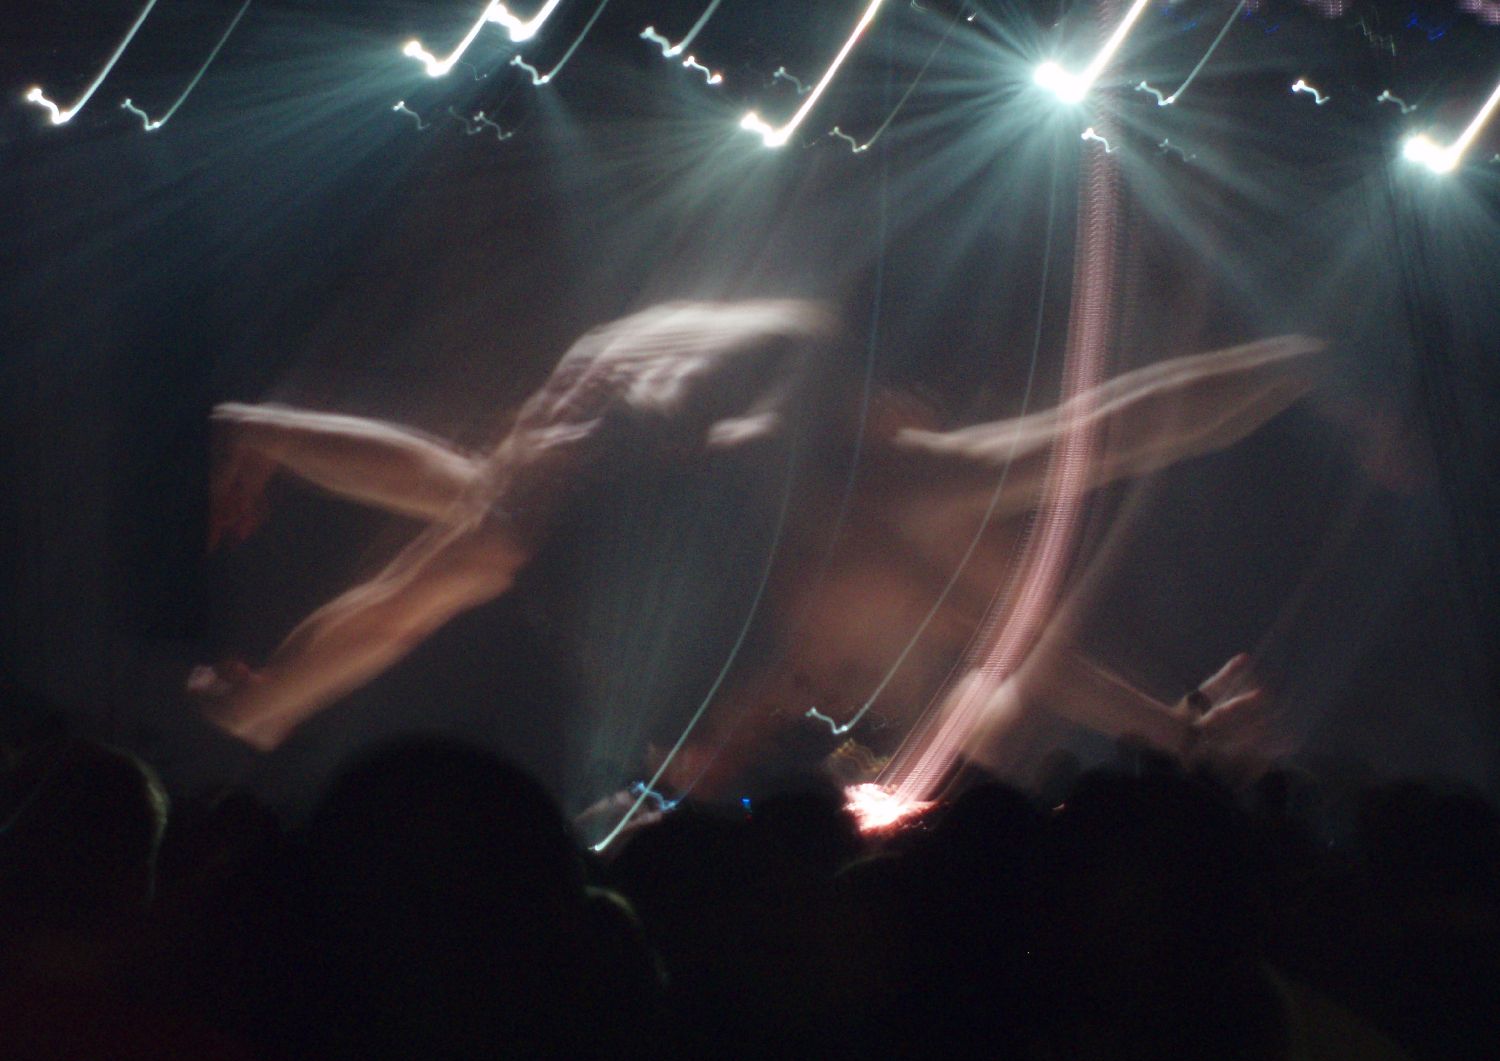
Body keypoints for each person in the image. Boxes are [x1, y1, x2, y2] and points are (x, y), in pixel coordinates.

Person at [190, 300, 1320, 790]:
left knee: (484, 523)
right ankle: (261, 445)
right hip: (692, 393)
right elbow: (404, 594)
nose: (796, 706)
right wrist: (1169, 731)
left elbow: (1022, 608)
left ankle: (1318, 358)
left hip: (713, 397)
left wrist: (1169, 731)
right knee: (483, 522)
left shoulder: (826, 523)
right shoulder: (589, 511)